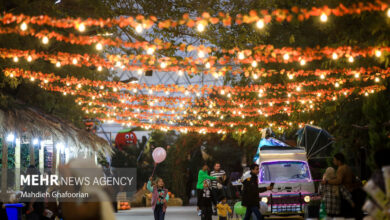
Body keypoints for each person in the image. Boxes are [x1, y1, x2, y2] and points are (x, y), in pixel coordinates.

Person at [323, 153, 365, 219]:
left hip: (348, 192)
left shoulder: (341, 168)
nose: (333, 161)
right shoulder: (347, 167)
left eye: (334, 160)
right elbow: (354, 178)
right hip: (353, 192)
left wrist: (327, 181)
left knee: (346, 214)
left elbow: (338, 181)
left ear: (339, 161)